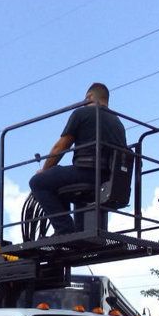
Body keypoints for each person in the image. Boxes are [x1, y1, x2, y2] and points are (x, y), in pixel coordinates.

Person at [28, 82, 127, 236]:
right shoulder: (118, 123)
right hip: (110, 181)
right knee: (60, 180)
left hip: (88, 174)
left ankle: (64, 229)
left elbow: (60, 147)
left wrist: (44, 170)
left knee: (38, 182)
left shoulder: (82, 113)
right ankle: (75, 230)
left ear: (89, 97)